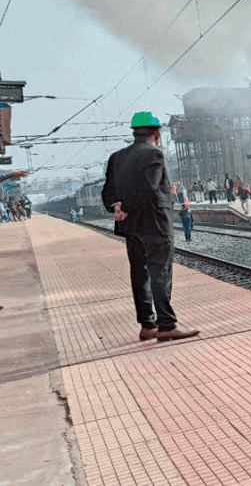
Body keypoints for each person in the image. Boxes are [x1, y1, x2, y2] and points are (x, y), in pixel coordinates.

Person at [101, 111, 199, 343]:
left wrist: (116, 207)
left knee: (139, 273)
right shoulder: (154, 154)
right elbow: (149, 187)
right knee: (160, 273)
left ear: (135, 132)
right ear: (156, 133)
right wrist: (127, 207)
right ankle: (167, 325)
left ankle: (147, 325)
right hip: (154, 224)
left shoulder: (116, 157)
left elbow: (108, 190)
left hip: (130, 227)